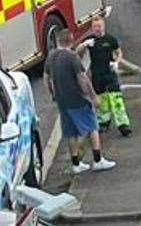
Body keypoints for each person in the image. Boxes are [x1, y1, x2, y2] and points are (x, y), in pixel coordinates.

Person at [44, 29, 116, 174]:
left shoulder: (51, 58)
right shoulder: (72, 57)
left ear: (58, 41)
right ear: (70, 41)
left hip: (63, 102)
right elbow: (82, 78)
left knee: (71, 133)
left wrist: (53, 94)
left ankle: (76, 164)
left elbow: (46, 78)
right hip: (78, 99)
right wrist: (92, 96)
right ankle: (97, 160)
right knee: (92, 127)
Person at [76, 15, 132, 137]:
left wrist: (117, 62)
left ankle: (124, 125)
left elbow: (119, 52)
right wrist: (84, 45)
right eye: (95, 27)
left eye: (99, 26)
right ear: (92, 28)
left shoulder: (110, 39)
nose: (97, 29)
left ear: (103, 26)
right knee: (102, 101)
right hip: (97, 75)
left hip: (110, 74)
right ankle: (104, 122)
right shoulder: (90, 40)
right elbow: (78, 52)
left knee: (116, 100)